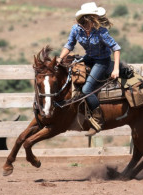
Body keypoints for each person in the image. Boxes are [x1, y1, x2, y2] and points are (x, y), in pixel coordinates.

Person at [57, 2, 121, 136]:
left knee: (86, 89)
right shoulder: (76, 29)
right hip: (89, 58)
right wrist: (60, 58)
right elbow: (69, 45)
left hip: (102, 61)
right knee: (70, 75)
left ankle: (98, 120)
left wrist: (116, 69)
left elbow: (116, 48)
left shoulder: (101, 32)